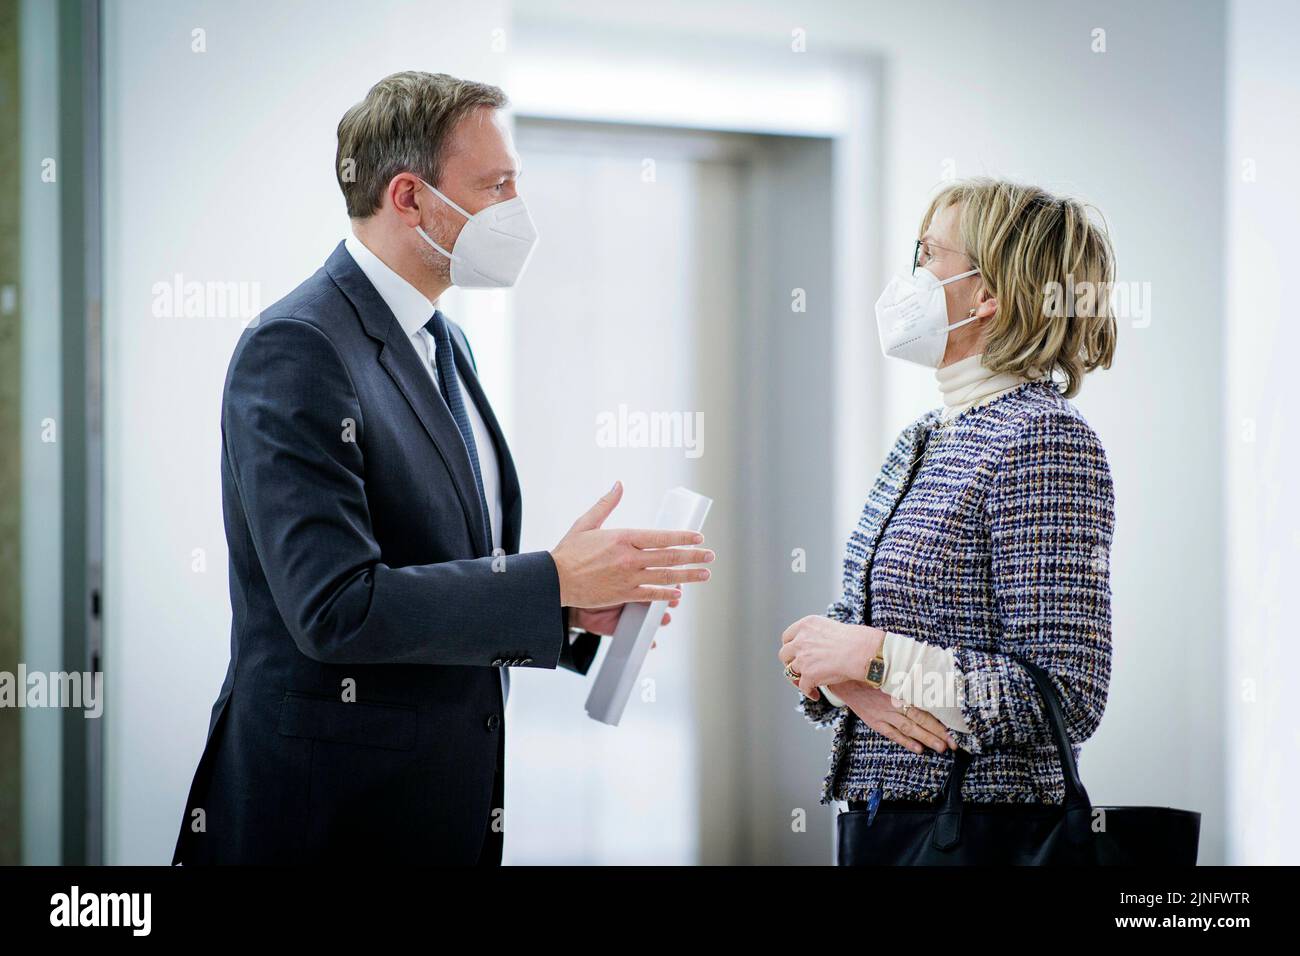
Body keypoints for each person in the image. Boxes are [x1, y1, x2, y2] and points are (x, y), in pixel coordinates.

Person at [172, 71, 714, 865]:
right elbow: (335, 608)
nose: (517, 210)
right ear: (408, 197)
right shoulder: (296, 348)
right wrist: (551, 580)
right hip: (324, 819)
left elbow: (437, 571)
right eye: (496, 186)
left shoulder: (442, 340)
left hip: (433, 810)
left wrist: (565, 613)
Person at [779, 177, 1117, 861]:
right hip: (881, 817)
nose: (911, 274)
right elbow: (840, 642)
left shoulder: (1046, 439)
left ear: (988, 293)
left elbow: (1066, 693)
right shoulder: (924, 437)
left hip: (980, 830)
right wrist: (845, 669)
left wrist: (873, 659)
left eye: (929, 253)